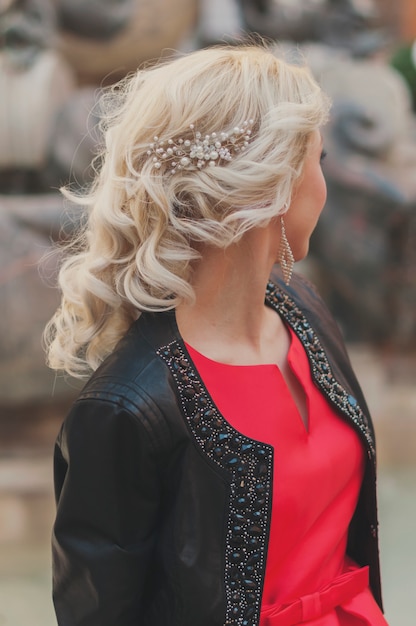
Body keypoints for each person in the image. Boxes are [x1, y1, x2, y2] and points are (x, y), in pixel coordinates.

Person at [44, 43, 389, 626]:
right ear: (272, 184)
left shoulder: (305, 314)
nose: (324, 186)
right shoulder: (124, 408)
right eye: (319, 161)